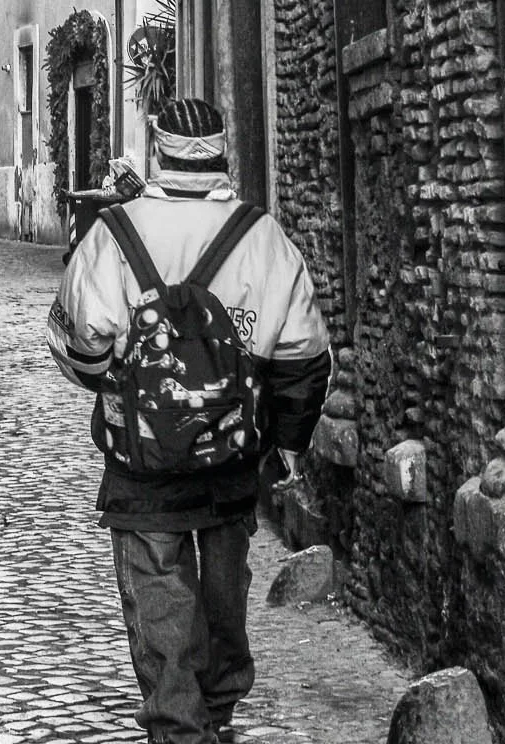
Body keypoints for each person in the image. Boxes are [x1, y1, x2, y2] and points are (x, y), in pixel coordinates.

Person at [47, 98, 331, 744]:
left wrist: (127, 381)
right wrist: (284, 444)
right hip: (230, 469)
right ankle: (218, 712)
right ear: (221, 152)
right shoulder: (262, 239)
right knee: (223, 601)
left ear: (157, 150)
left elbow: (76, 346)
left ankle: (179, 728)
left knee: (159, 605)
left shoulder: (112, 237)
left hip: (140, 474)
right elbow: (304, 360)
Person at [18, 158, 36, 241]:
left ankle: (28, 234)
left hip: (28, 199)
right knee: (28, 217)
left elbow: (28, 186)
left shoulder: (28, 173)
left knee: (28, 217)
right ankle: (28, 234)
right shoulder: (27, 173)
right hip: (27, 199)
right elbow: (26, 186)